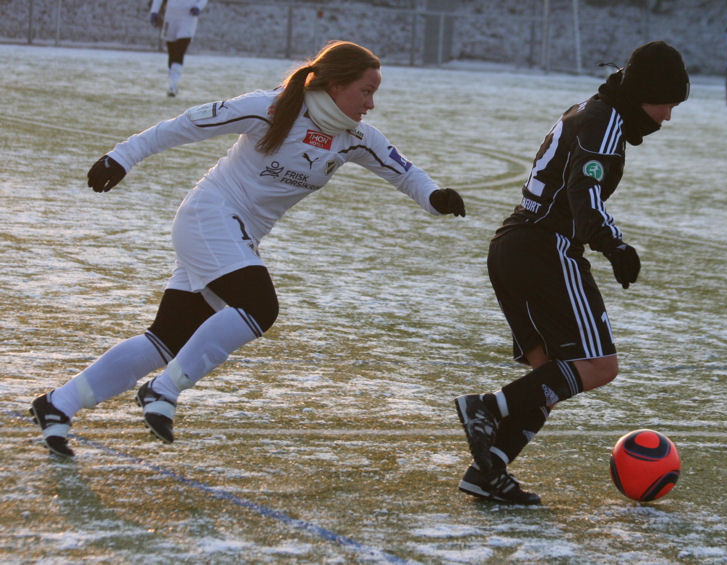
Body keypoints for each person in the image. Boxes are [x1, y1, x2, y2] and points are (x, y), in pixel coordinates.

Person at [30, 40, 466, 458]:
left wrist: (434, 197)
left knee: (164, 339)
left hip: (233, 237)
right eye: (366, 91)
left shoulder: (354, 136)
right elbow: (186, 124)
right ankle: (163, 390)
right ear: (336, 85)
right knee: (259, 305)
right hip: (209, 216)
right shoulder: (271, 107)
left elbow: (403, 170)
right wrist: (122, 157)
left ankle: (58, 403)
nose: (371, 103)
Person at [454, 41, 690, 505]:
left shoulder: (591, 110)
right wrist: (614, 244)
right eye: (666, 103)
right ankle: (486, 407)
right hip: (546, 248)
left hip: (511, 245)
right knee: (599, 365)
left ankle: (489, 471)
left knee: (547, 379)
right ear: (644, 92)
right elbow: (585, 194)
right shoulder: (606, 122)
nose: (666, 116)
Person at [149, 0, 208, 97]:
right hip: (170, 16)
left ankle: (173, 84)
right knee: (172, 51)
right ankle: (172, 81)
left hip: (188, 16)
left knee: (179, 50)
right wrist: (154, 11)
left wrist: (198, 6)